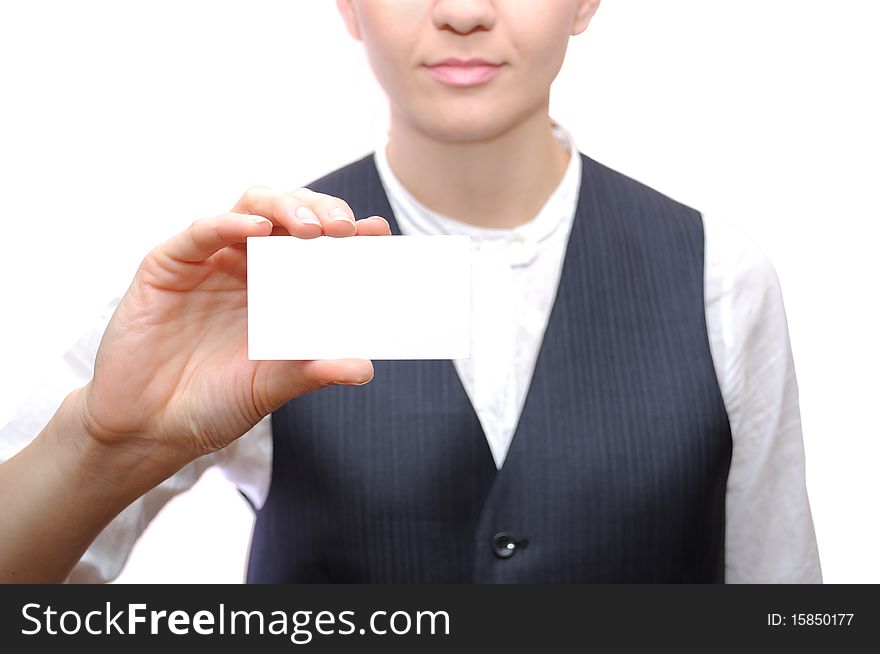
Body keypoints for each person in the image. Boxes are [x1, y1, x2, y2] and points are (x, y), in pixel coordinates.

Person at [0, 0, 821, 583]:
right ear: (347, 5)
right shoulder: (251, 278)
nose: (463, 9)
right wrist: (106, 447)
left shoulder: (721, 278)